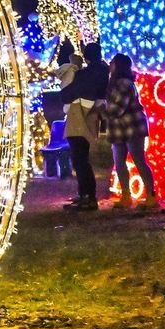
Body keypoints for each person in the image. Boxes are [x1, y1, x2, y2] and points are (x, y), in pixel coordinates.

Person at [104, 53, 158, 209]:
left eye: (112, 63)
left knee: (139, 160)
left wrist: (100, 109)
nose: (110, 65)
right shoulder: (114, 84)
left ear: (118, 66)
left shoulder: (124, 84)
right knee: (119, 161)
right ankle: (126, 195)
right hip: (118, 128)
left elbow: (117, 108)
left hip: (131, 126)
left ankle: (151, 195)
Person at [60, 42, 109, 211]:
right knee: (81, 157)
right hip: (91, 116)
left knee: (79, 158)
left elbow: (69, 92)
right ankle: (86, 194)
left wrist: (74, 68)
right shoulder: (103, 70)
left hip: (80, 114)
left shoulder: (87, 73)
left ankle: (87, 196)